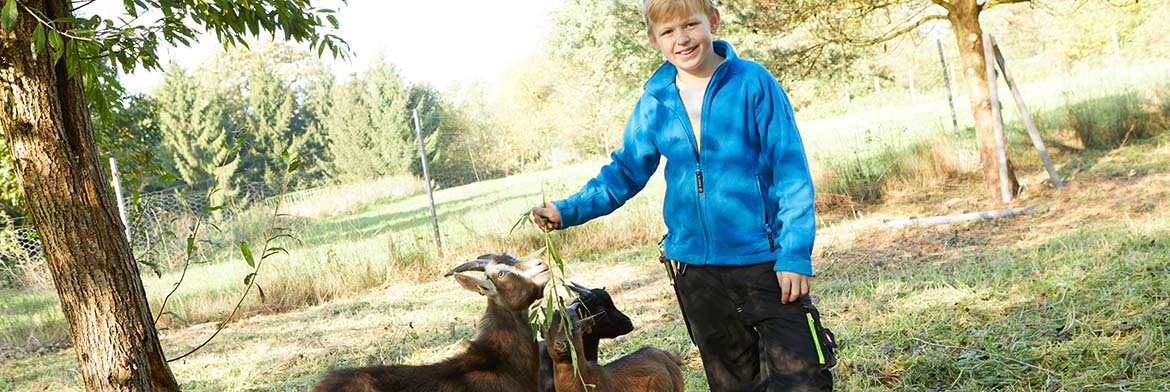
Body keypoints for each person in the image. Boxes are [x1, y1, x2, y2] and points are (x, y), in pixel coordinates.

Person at [529, 0, 834, 391]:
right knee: (734, 383)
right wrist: (566, 209)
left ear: (714, 21)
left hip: (766, 263)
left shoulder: (753, 83)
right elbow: (623, 173)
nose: (682, 39)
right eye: (668, 31)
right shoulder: (654, 104)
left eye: (690, 25)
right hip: (697, 275)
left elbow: (790, 172)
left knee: (803, 378)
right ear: (653, 40)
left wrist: (794, 253)